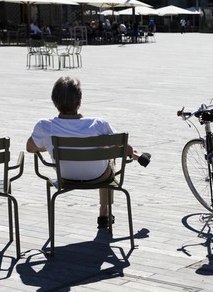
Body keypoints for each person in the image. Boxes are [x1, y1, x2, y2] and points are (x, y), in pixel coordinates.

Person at [27, 76, 146, 230]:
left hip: (64, 176)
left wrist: (47, 146)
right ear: (79, 102)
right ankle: (104, 212)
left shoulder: (44, 126)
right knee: (109, 152)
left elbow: (31, 148)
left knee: (108, 151)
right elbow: (122, 146)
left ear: (54, 101)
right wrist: (132, 152)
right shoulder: (98, 124)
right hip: (98, 175)